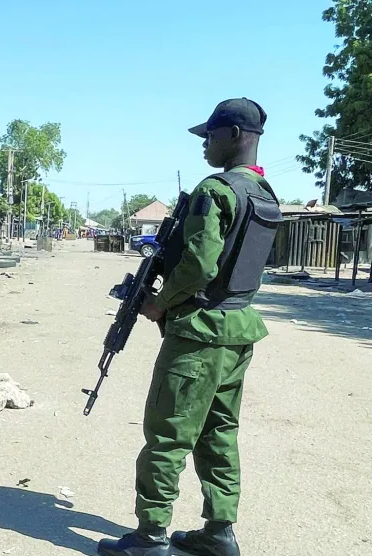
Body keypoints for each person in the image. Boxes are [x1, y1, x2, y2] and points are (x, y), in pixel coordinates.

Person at [97, 98, 282, 556]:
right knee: (219, 431)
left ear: (234, 136)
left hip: (198, 333)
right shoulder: (264, 195)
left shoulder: (215, 190)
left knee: (167, 433)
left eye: (210, 136)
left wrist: (160, 303)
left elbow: (199, 264)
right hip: (238, 331)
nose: (204, 145)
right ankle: (219, 532)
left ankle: (150, 535)